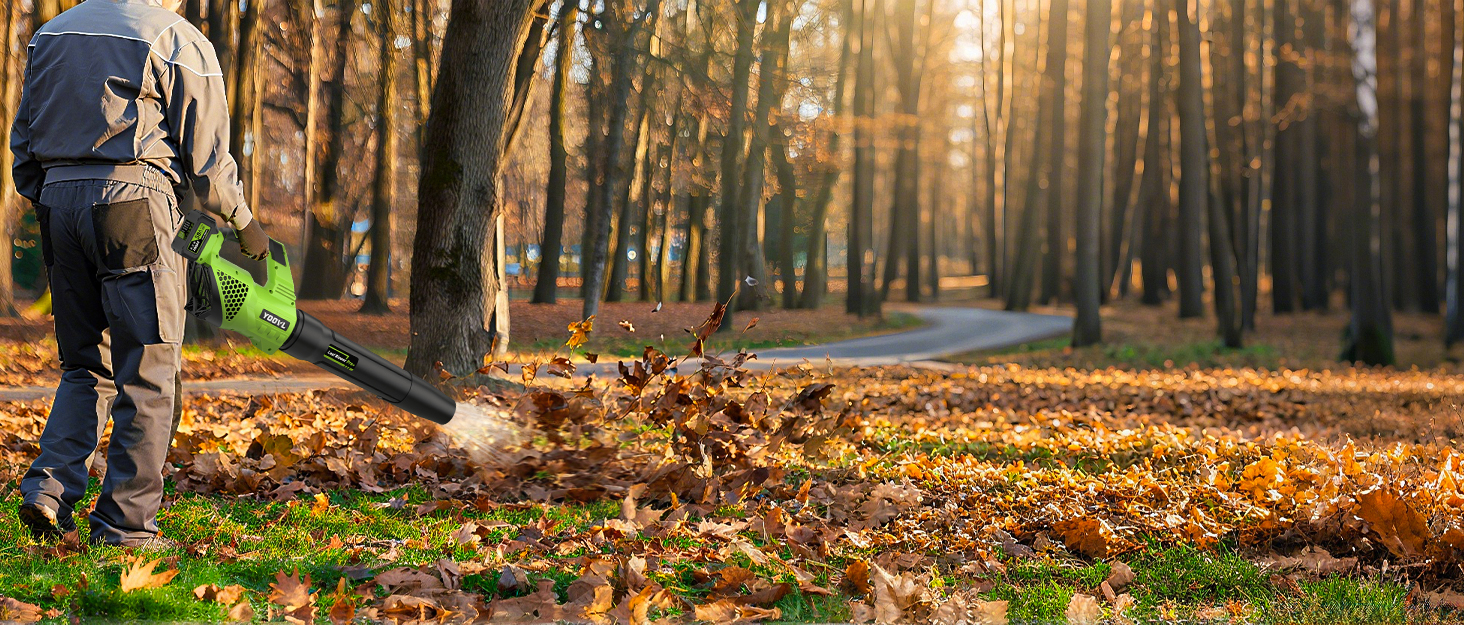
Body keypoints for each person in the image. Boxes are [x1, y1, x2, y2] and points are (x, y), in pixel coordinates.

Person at [10, 0, 270, 548]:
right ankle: (126, 526)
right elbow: (207, 157)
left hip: (58, 201)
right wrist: (244, 223)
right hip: (133, 200)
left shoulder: (50, 34)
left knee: (86, 364)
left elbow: (23, 142)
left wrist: (55, 198)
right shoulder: (174, 36)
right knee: (148, 369)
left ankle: (49, 490)